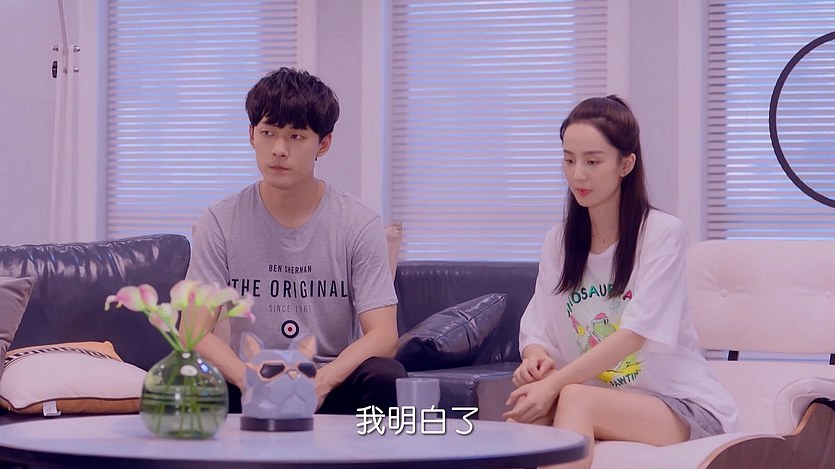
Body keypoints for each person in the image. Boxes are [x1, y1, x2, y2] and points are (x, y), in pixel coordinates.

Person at [503, 96, 737, 468]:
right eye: (569, 160)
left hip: (681, 406)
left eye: (593, 161)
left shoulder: (662, 234)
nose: (578, 175)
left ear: (626, 164)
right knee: (520, 416)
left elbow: (634, 335)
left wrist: (554, 385)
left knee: (573, 397)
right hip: (597, 399)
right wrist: (537, 362)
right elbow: (537, 329)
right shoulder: (558, 242)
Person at [182, 67, 406, 415]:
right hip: (248, 378)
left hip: (330, 381)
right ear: (251, 135)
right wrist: (247, 378)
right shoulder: (221, 221)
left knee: (385, 376)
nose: (279, 150)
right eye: (268, 133)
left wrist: (324, 381)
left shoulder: (358, 223)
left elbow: (383, 336)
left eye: (296, 136)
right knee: (186, 377)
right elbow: (193, 331)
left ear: (324, 143)